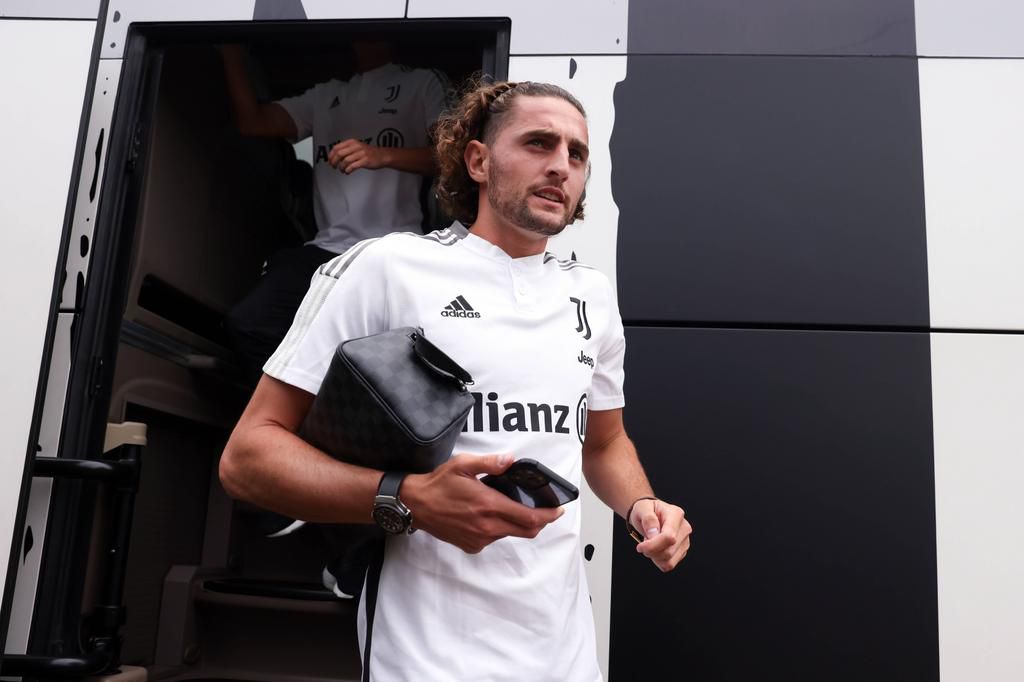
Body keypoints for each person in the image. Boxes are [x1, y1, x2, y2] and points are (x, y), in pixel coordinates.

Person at [220, 79, 692, 681]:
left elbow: (603, 444)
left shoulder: (591, 296)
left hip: (563, 653)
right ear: (477, 160)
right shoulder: (386, 267)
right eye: (539, 143)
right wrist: (407, 498)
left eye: (577, 154)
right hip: (425, 653)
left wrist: (643, 505)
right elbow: (247, 459)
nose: (560, 167)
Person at [220, 39, 448, 380]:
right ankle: (297, 423)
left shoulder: (422, 82)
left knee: (387, 357)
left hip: (395, 248)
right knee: (250, 324)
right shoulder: (326, 94)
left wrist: (381, 155)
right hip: (327, 250)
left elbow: (452, 156)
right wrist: (231, 54)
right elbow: (253, 122)